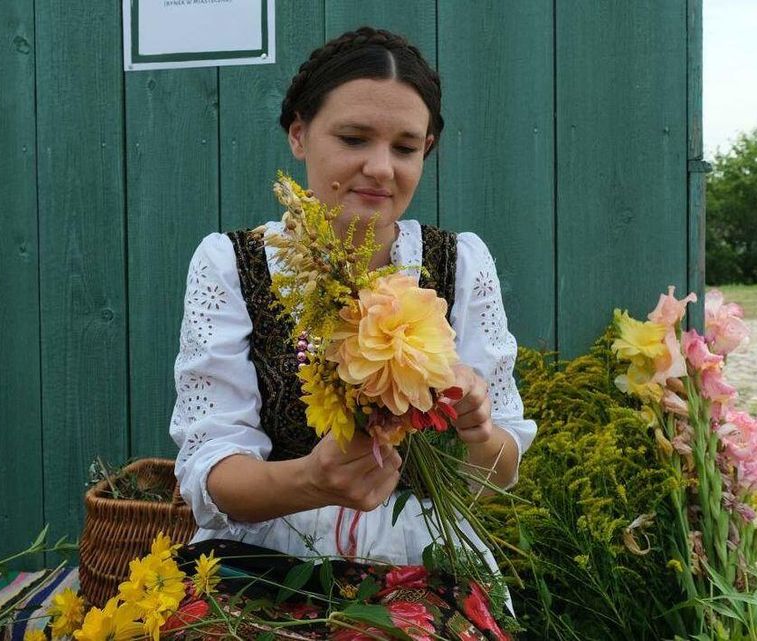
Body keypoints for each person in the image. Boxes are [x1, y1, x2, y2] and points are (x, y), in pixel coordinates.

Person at [169, 26, 536, 638]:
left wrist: (478, 427)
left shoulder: (460, 264)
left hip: (423, 561)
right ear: (298, 133)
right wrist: (309, 480)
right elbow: (213, 473)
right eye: (353, 138)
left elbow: (498, 475)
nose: (380, 167)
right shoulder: (232, 264)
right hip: (263, 561)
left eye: (406, 147)